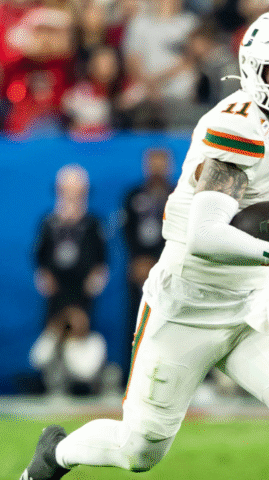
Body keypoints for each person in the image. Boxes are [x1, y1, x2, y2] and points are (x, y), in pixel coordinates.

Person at [19, 10, 269, 480]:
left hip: (251, 304)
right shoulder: (237, 130)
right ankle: (56, 454)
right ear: (255, 70)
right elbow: (204, 235)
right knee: (140, 449)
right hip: (188, 306)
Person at [29, 164, 110, 395]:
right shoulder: (49, 223)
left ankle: (89, 376)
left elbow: (101, 261)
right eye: (67, 190)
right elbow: (40, 258)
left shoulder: (93, 224)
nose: (72, 195)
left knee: (82, 354)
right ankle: (53, 377)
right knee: (44, 350)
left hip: (82, 296)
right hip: (56, 296)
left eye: (77, 190)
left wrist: (94, 279)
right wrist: (45, 275)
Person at [120, 148, 173, 385]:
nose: (157, 168)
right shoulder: (133, 195)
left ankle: (170, 378)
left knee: (170, 323)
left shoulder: (177, 195)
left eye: (162, 163)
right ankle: (131, 375)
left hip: (169, 269)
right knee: (136, 321)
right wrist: (137, 259)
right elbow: (127, 231)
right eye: (153, 163)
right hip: (139, 268)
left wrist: (162, 262)